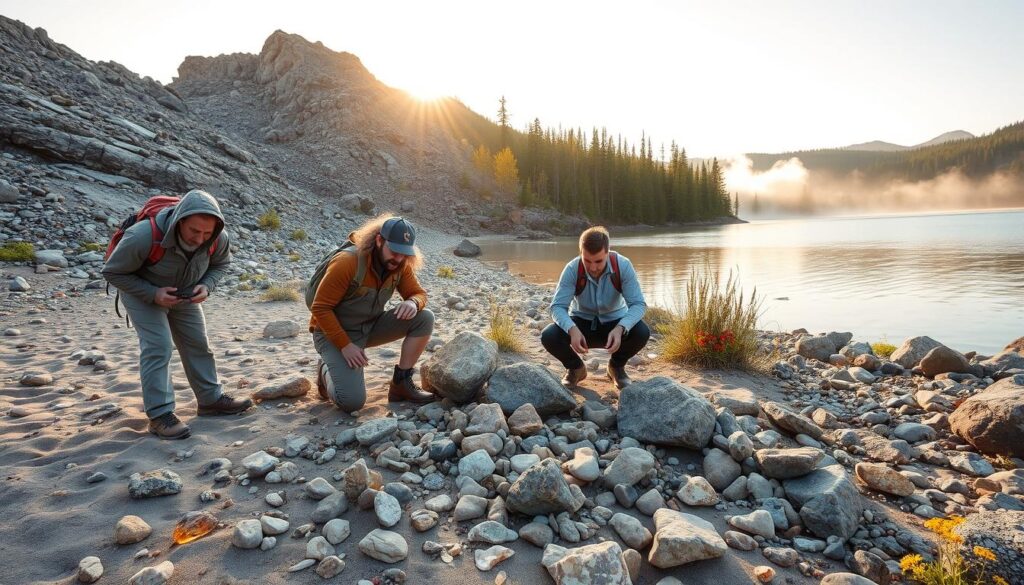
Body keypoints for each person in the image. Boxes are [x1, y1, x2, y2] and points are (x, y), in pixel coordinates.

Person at [102, 190, 252, 440]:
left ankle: (210, 401)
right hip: (142, 292)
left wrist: (207, 286)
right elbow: (113, 272)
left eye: (207, 233)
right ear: (180, 220)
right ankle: (160, 415)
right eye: (194, 231)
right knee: (158, 347)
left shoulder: (217, 237)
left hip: (185, 293)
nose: (200, 238)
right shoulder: (143, 236)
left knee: (198, 344)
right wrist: (153, 293)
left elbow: (221, 265)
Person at [309, 215, 435, 412]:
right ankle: (324, 370)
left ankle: (401, 383)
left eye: (405, 253)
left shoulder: (400, 265)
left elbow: (418, 293)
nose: (399, 258)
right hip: (331, 334)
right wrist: (345, 345)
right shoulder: (347, 262)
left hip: (369, 328)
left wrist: (413, 302)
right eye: (394, 251)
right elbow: (320, 308)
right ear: (379, 240)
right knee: (351, 402)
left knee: (424, 318)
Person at [542, 226, 650, 390]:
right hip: (581, 325)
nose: (592, 268)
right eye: (587, 261)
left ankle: (616, 367)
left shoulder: (623, 266)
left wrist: (621, 327)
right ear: (581, 253)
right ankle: (575, 368)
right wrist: (572, 329)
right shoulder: (572, 269)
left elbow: (638, 304)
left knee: (642, 332)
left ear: (607, 253)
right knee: (549, 335)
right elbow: (557, 307)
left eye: (598, 261)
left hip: (615, 326)